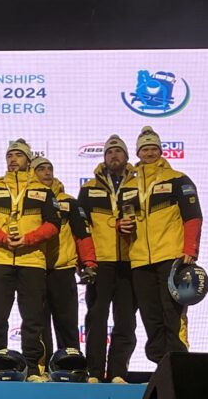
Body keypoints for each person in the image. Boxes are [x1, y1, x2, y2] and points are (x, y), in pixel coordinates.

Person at [0, 139, 60, 381]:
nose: (13, 159)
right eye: (10, 155)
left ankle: (33, 368)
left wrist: (28, 239)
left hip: (32, 260)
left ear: (28, 160)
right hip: (0, 258)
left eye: (18, 155)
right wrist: (2, 238)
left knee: (33, 317)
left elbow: (54, 224)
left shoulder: (43, 191)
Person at [118, 127, 202, 365]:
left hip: (171, 257)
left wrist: (190, 251)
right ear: (138, 153)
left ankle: (180, 364)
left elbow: (193, 217)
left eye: (154, 148)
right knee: (150, 315)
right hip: (140, 260)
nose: (150, 153)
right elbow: (121, 220)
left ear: (161, 151)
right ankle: (160, 365)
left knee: (172, 313)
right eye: (145, 149)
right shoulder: (128, 187)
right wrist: (119, 225)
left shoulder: (178, 179)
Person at [78, 134, 137, 383]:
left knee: (125, 320)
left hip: (130, 262)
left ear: (126, 157)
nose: (114, 156)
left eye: (118, 152)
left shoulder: (138, 186)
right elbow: (80, 228)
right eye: (109, 152)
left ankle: (118, 372)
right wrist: (85, 262)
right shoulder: (89, 188)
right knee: (97, 317)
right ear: (104, 159)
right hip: (100, 262)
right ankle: (93, 371)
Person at [31, 157, 97, 364]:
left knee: (67, 323)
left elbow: (82, 234)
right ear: (32, 173)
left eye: (49, 168)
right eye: (40, 169)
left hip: (63, 268)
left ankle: (70, 366)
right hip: (34, 268)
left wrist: (88, 262)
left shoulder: (69, 202)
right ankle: (41, 370)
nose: (46, 172)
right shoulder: (25, 199)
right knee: (38, 325)